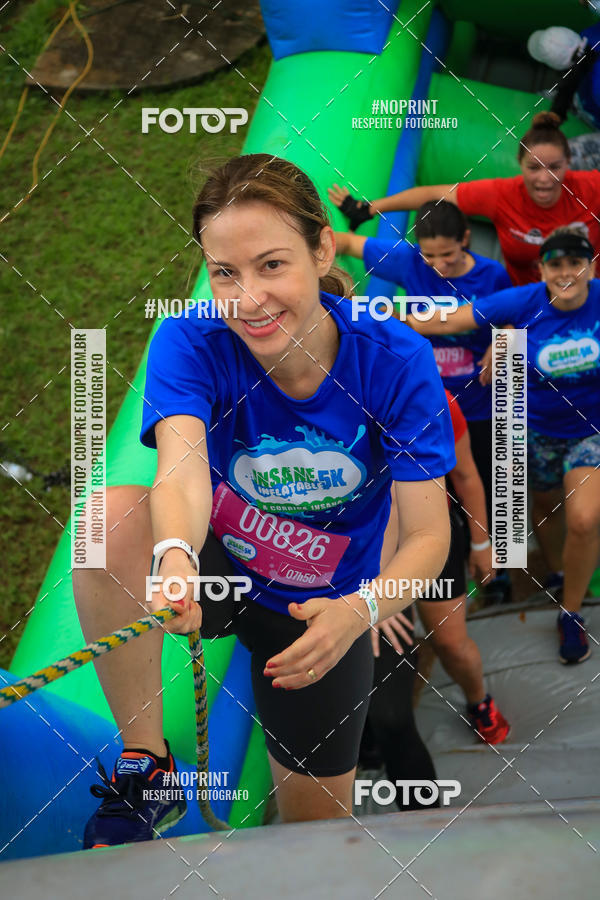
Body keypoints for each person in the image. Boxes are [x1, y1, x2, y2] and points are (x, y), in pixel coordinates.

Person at [73, 153, 455, 848]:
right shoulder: (191, 339)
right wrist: (175, 556)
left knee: (313, 838)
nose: (247, 299)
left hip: (319, 614)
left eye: (271, 265)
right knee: (104, 521)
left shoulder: (393, 358)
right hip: (222, 567)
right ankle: (148, 763)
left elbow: (430, 536)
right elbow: (183, 469)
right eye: (225, 272)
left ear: (320, 249)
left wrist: (362, 610)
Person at [405, 225, 600, 664]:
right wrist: (376, 319)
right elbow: (451, 318)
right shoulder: (525, 301)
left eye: (576, 263)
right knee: (544, 509)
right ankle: (558, 573)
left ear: (590, 266)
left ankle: (571, 613)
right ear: (542, 269)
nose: (566, 272)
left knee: (585, 518)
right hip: (534, 429)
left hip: (591, 431)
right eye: (556, 264)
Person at [335, 203, 511, 606]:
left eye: (447, 256)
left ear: (465, 240)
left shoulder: (492, 276)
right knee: (442, 495)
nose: (438, 266)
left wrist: (502, 343)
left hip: (480, 408)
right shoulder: (408, 262)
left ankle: (498, 573)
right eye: (429, 256)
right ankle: (454, 571)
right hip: (429, 408)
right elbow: (343, 242)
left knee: (491, 487)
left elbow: (518, 316)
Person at [367, 390, 509, 763]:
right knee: (374, 645)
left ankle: (479, 701)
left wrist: (481, 544)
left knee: (450, 643)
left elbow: (465, 474)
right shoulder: (335, 398)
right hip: (366, 546)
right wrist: (377, 592)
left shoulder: (437, 398)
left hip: (428, 535)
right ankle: (370, 731)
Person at [328, 112, 600, 286]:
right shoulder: (502, 194)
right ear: (519, 163)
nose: (545, 179)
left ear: (569, 162)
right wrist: (368, 209)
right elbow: (434, 194)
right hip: (529, 301)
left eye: (554, 167)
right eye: (534, 167)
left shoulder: (592, 187)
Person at [528, 23, 600, 170]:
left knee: (565, 159)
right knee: (543, 97)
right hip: (586, 97)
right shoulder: (590, 33)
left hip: (593, 104)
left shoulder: (597, 88)